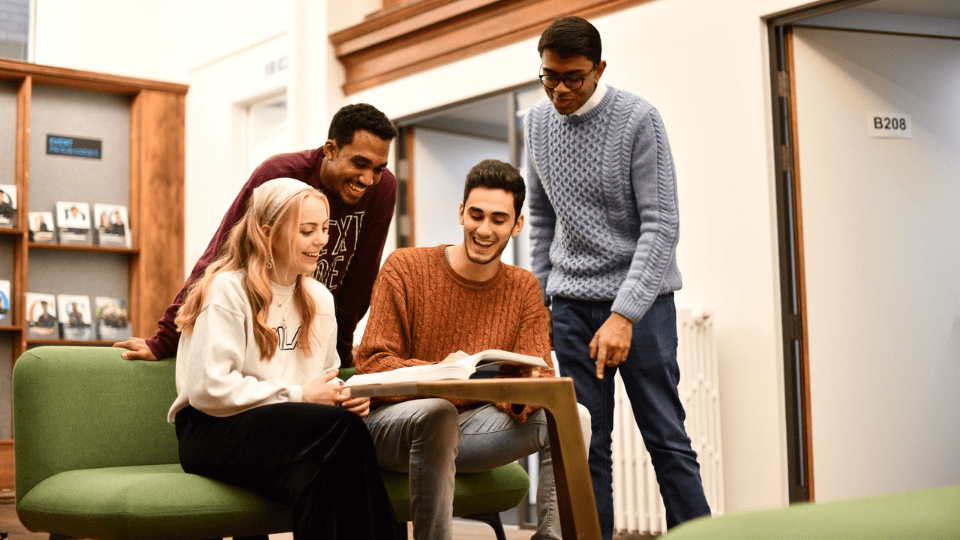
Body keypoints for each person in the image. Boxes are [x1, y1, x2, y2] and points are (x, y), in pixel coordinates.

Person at [524, 16, 711, 536]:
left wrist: (623, 314)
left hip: (642, 307)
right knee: (586, 444)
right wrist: (541, 295)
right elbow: (540, 217)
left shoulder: (637, 120)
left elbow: (661, 225)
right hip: (570, 309)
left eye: (573, 78)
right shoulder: (536, 123)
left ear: (599, 69)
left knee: (666, 439)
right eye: (549, 76)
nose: (560, 89)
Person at [356, 159, 590, 540]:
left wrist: (511, 395)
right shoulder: (405, 267)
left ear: (516, 226)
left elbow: (538, 378)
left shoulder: (524, 287)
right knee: (437, 412)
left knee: (572, 416)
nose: (484, 229)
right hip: (393, 427)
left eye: (498, 219)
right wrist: (447, 378)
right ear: (461, 213)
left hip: (471, 429)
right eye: (476, 215)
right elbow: (373, 365)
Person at [168, 177, 397, 540]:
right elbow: (208, 390)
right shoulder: (227, 290)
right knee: (345, 431)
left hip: (286, 431)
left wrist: (342, 395)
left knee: (317, 479)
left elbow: (323, 377)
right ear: (267, 232)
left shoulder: (320, 298)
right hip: (212, 429)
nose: (322, 240)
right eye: (307, 230)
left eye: (324, 228)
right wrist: (302, 397)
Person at [116, 103, 399, 367]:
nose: (367, 179)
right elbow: (221, 252)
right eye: (359, 164)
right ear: (331, 149)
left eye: (378, 168)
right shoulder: (280, 174)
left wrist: (340, 352)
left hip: (312, 325)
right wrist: (166, 339)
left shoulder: (383, 189)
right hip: (256, 321)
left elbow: (360, 280)